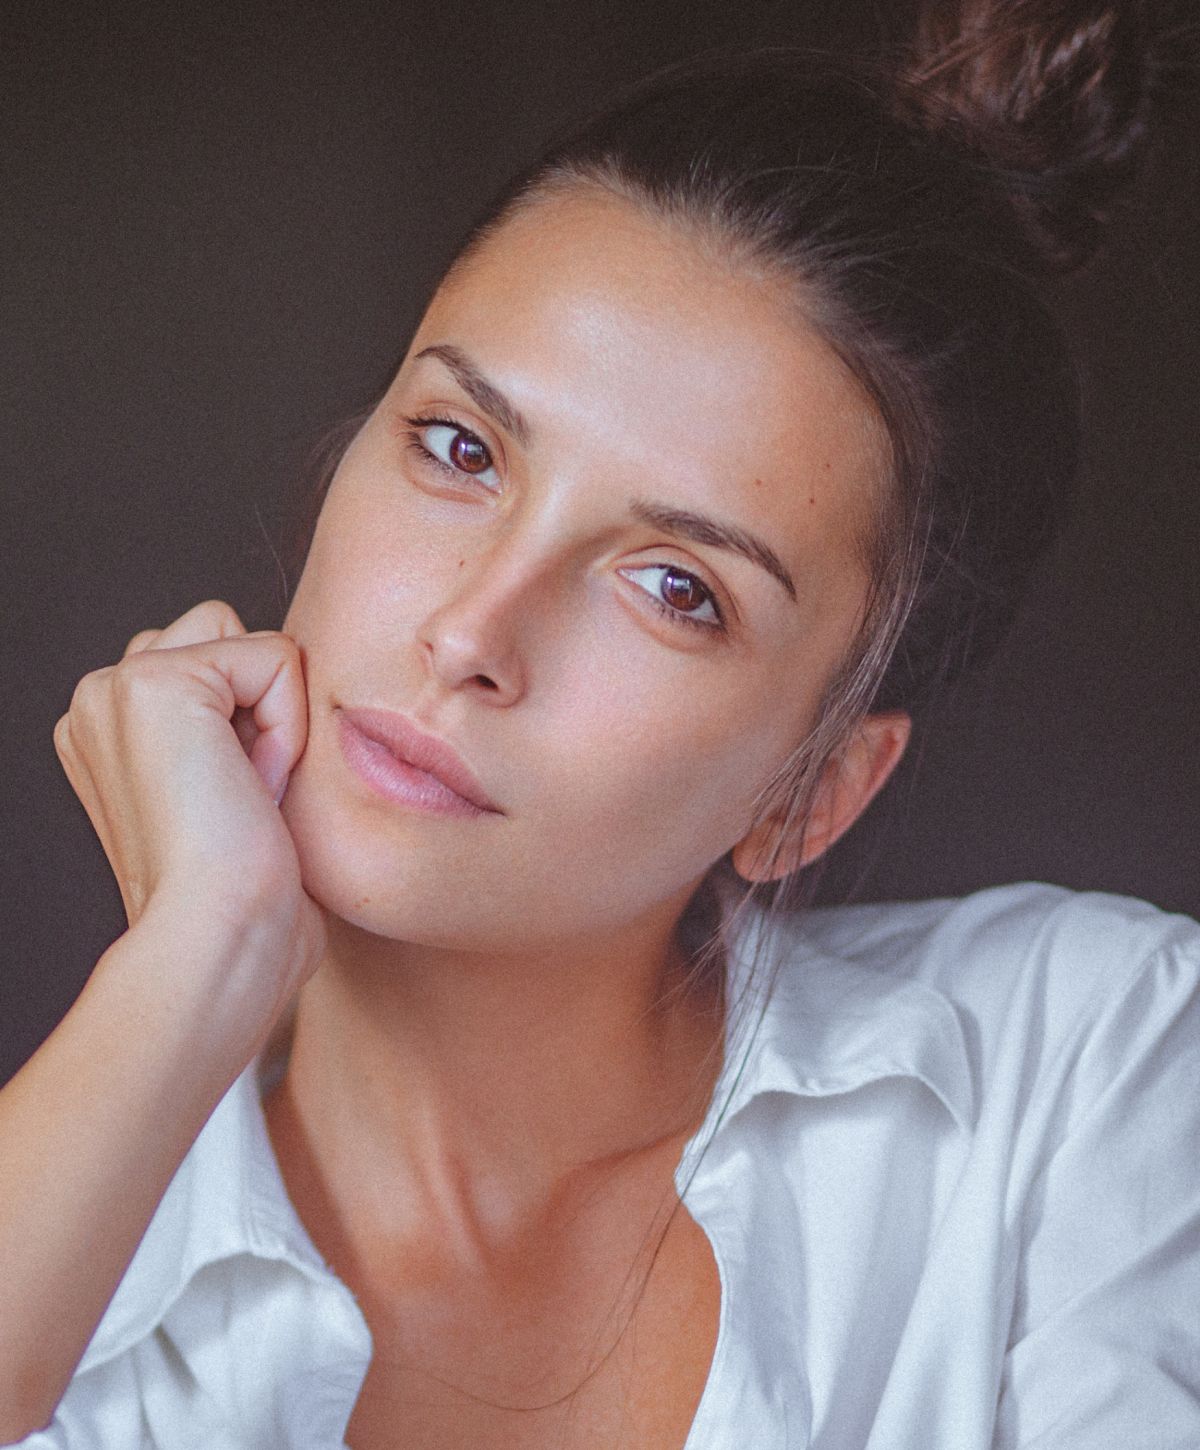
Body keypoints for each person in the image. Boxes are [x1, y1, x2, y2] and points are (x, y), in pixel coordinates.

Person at [3, 1, 1198, 1446]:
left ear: (810, 792)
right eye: (459, 448)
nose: (471, 633)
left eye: (677, 587)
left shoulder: (1075, 1072)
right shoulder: (69, 1260)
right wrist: (193, 958)